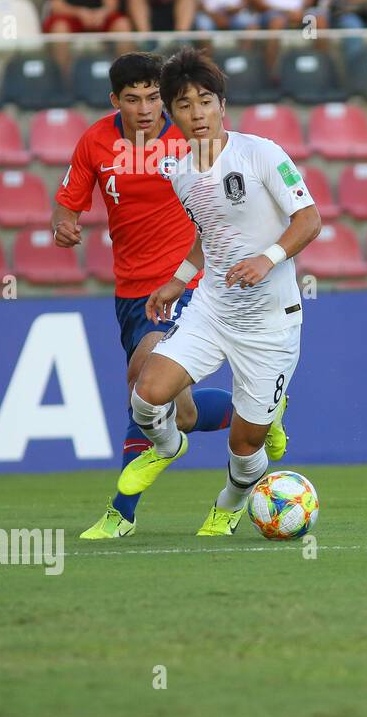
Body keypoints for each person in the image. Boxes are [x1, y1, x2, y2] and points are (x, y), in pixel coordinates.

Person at [52, 53, 282, 539]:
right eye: (132, 99)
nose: (145, 109)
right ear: (115, 100)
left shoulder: (189, 139)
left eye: (154, 97)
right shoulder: (95, 141)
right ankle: (261, 412)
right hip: (132, 292)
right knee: (184, 411)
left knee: (142, 373)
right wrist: (65, 225)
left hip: (188, 283)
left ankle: (123, 510)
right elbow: (69, 203)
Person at [123, 48, 320, 536]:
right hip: (212, 308)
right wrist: (177, 279)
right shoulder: (179, 171)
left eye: (205, 101)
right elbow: (208, 235)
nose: (197, 114)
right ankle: (168, 447)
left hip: (270, 320)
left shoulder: (261, 152)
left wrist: (267, 259)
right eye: (185, 105)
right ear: (172, 114)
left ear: (222, 105)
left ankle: (230, 502)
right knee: (146, 397)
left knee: (245, 444)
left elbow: (309, 220)